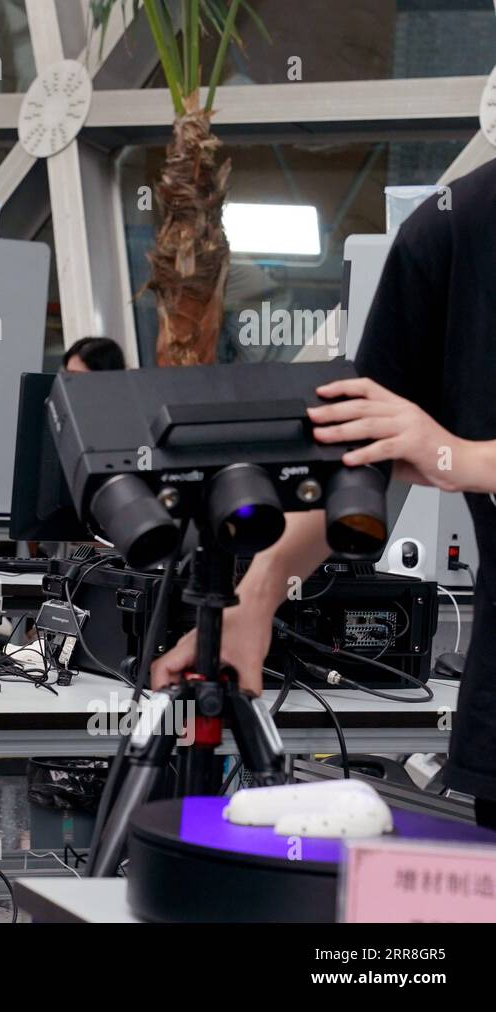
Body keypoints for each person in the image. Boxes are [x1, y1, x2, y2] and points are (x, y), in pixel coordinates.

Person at [152, 161, 496, 831]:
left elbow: (429, 449)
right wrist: (254, 598)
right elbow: (358, 450)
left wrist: (458, 456)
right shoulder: (454, 230)